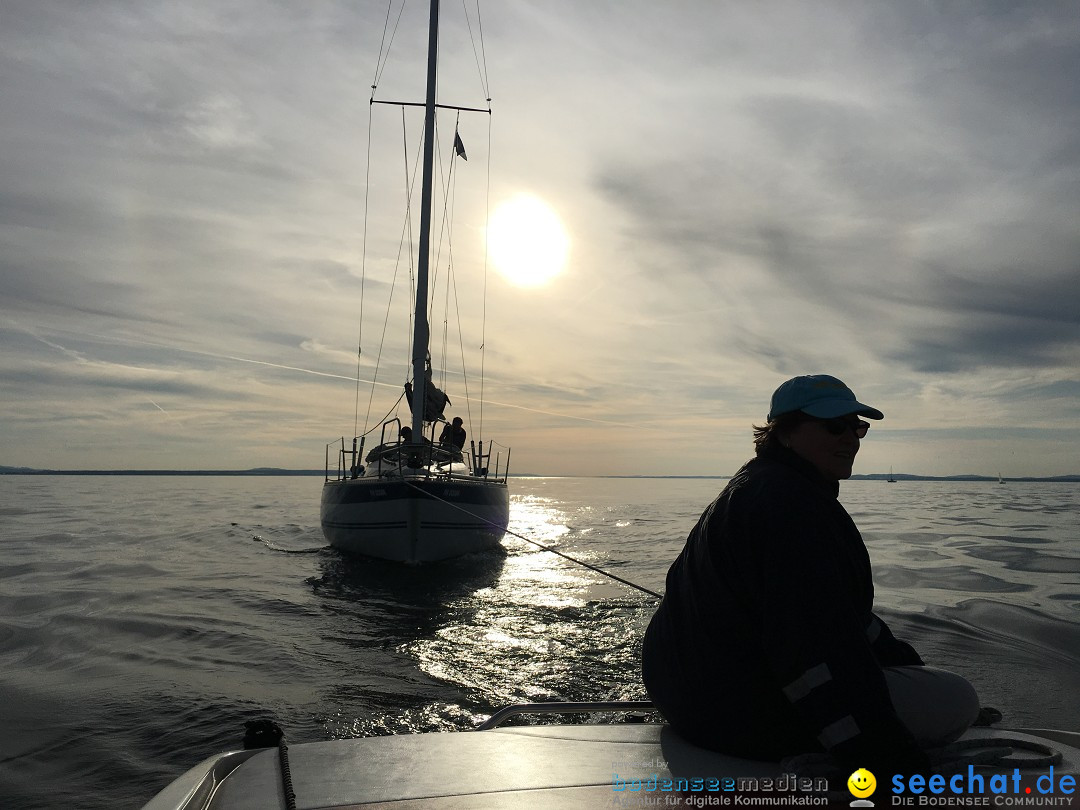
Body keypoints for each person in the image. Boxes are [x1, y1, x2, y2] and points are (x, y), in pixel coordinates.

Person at [641, 374, 979, 774]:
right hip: (740, 717)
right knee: (959, 699)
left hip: (686, 701)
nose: (850, 439)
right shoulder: (794, 509)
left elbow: (841, 617)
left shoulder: (753, 488)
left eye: (857, 427)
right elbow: (810, 647)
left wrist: (908, 666)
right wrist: (881, 759)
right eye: (833, 426)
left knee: (917, 680)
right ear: (783, 433)